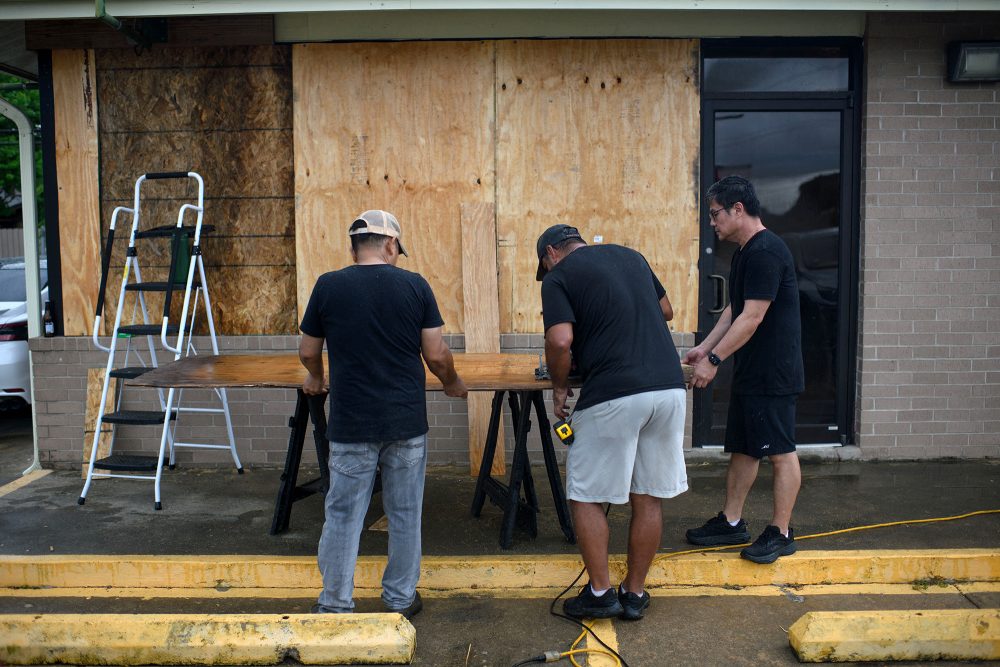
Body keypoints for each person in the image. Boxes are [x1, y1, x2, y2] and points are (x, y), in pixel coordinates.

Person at [299, 209, 468, 619]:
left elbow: (307, 351)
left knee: (342, 514)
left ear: (353, 246)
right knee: (405, 512)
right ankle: (399, 599)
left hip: (351, 423)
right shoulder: (415, 286)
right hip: (404, 421)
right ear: (391, 245)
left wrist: (317, 378)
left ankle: (335, 603)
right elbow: (436, 353)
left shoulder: (328, 286)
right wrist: (451, 382)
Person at [536, 224, 687, 621]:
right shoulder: (631, 257)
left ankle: (601, 593)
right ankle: (634, 594)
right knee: (648, 494)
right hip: (669, 389)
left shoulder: (559, 278)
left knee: (586, 494)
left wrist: (557, 385)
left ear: (551, 253)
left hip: (616, 393)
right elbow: (667, 310)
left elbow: (561, 341)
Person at [683, 175, 804, 564]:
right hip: (753, 370)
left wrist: (715, 362)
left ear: (738, 209)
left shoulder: (767, 251)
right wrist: (705, 347)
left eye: (715, 214)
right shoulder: (745, 252)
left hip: (774, 371)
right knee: (744, 447)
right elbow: (734, 309)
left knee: (780, 451)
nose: (712, 223)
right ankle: (732, 522)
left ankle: (781, 532)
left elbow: (752, 318)